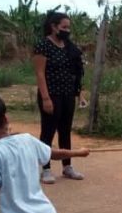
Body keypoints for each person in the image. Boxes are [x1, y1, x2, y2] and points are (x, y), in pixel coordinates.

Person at [33, 12, 86, 184]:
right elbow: (40, 74)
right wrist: (46, 98)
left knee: (65, 131)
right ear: (53, 27)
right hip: (51, 94)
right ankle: (46, 169)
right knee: (48, 132)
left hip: (68, 94)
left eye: (68, 27)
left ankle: (67, 166)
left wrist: (80, 94)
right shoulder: (43, 46)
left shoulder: (69, 47)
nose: (67, 30)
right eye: (64, 27)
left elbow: (76, 73)